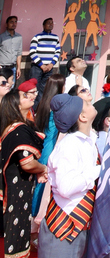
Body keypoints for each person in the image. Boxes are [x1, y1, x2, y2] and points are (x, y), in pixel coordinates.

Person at [38, 93, 100, 256]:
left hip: (81, 224)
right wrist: (97, 171)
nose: (90, 101)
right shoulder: (69, 145)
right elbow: (66, 188)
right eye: (85, 104)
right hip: (63, 226)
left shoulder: (90, 141)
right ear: (82, 117)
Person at [0, 82, 46, 258]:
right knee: (16, 231)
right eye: (24, 96)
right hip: (17, 188)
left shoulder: (15, 126)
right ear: (16, 104)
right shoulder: (19, 129)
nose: (29, 97)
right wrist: (43, 168)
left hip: (18, 186)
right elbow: (27, 163)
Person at [32, 73, 66, 221]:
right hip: (51, 147)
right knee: (44, 182)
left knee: (38, 182)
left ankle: (33, 213)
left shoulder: (43, 103)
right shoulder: (57, 105)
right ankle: (37, 214)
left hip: (42, 147)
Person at [29, 19, 61, 99]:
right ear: (43, 25)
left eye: (52, 23)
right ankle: (33, 108)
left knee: (45, 89)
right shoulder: (37, 37)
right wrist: (41, 65)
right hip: (37, 67)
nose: (50, 25)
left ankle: (41, 108)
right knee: (33, 88)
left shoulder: (55, 38)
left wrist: (51, 64)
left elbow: (57, 52)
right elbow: (32, 52)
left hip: (49, 68)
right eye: (48, 23)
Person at [0, 16, 23, 82]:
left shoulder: (19, 37)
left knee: (11, 88)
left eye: (15, 22)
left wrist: (19, 68)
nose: (14, 24)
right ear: (6, 24)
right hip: (2, 68)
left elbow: (19, 53)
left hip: (13, 68)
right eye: (11, 22)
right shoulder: (2, 37)